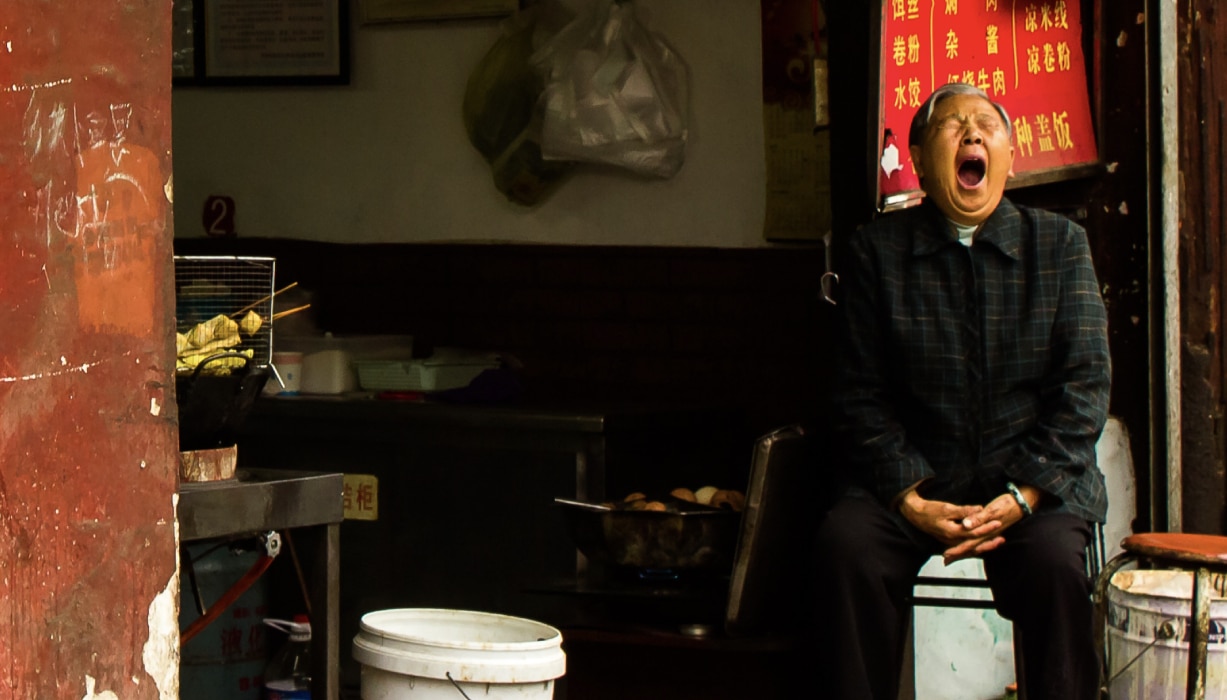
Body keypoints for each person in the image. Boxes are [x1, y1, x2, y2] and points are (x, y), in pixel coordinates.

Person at [815, 82, 1111, 700]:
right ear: (920, 161)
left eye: (987, 124)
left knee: (1054, 566)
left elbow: (1084, 388)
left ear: (1009, 158)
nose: (973, 133)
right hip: (918, 480)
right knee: (848, 546)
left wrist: (1026, 494)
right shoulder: (877, 252)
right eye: (952, 124)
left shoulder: (1060, 246)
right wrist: (908, 497)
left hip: (1029, 483)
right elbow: (857, 394)